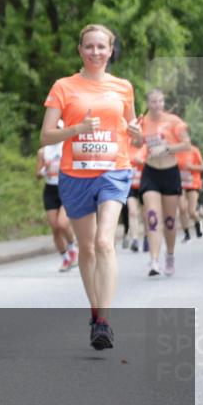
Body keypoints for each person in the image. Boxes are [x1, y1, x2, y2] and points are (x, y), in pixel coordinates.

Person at [41, 24, 140, 351]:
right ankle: (94, 310)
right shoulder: (63, 87)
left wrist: (137, 133)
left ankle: (104, 321)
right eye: (89, 47)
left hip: (114, 170)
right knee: (86, 248)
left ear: (111, 50)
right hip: (75, 175)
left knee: (103, 241)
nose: (96, 52)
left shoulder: (123, 87)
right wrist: (77, 128)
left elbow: (131, 128)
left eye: (102, 47)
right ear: (80, 50)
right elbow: (46, 136)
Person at [137, 90, 191, 277]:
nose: (157, 105)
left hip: (170, 172)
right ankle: (153, 261)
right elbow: (136, 144)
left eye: (160, 101)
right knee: (152, 216)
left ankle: (169, 255)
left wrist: (166, 148)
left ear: (164, 103)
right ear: (148, 103)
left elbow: (187, 145)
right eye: (153, 102)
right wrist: (135, 134)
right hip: (150, 172)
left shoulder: (174, 121)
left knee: (169, 221)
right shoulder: (142, 121)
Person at [35, 125, 78, 271]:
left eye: (58, 129)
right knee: (55, 228)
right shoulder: (43, 151)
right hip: (50, 190)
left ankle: (72, 247)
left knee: (62, 223)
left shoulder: (67, 146)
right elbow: (37, 175)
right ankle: (65, 258)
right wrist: (43, 170)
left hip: (66, 188)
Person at [178, 141, 203, 241]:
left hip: (193, 183)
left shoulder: (194, 150)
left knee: (191, 211)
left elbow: (202, 167)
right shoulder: (176, 151)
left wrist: (192, 167)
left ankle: (198, 222)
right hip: (180, 183)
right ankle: (187, 234)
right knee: (182, 208)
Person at [124, 141, 147, 252]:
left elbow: (154, 164)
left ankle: (147, 237)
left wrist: (142, 162)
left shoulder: (145, 147)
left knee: (145, 213)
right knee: (132, 212)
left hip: (144, 184)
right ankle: (135, 240)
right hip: (130, 185)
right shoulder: (125, 146)